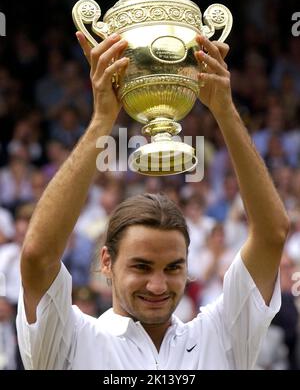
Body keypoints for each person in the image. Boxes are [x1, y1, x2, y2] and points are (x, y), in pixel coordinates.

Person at [16, 31, 290, 370]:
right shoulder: (73, 339)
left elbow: (272, 234)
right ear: (106, 262)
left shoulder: (221, 335)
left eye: (173, 267)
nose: (158, 286)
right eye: (141, 266)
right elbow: (37, 256)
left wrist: (224, 109)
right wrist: (102, 121)